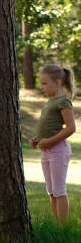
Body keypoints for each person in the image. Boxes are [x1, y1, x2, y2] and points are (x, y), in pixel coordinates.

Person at [30, 64, 76, 224]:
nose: (42, 87)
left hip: (58, 151)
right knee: (51, 191)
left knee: (59, 191)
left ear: (57, 82)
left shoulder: (64, 101)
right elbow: (49, 125)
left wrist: (49, 141)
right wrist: (37, 138)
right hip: (46, 152)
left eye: (44, 83)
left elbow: (71, 128)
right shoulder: (50, 101)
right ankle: (56, 224)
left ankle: (62, 228)